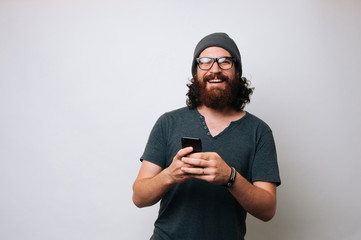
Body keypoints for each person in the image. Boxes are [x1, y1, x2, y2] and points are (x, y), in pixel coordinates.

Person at [132, 32, 281, 240]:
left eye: (225, 62)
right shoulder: (168, 123)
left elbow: (267, 210)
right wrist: (170, 175)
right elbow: (139, 196)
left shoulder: (259, 132)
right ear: (196, 73)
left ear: (237, 72)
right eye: (205, 62)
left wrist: (230, 177)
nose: (215, 69)